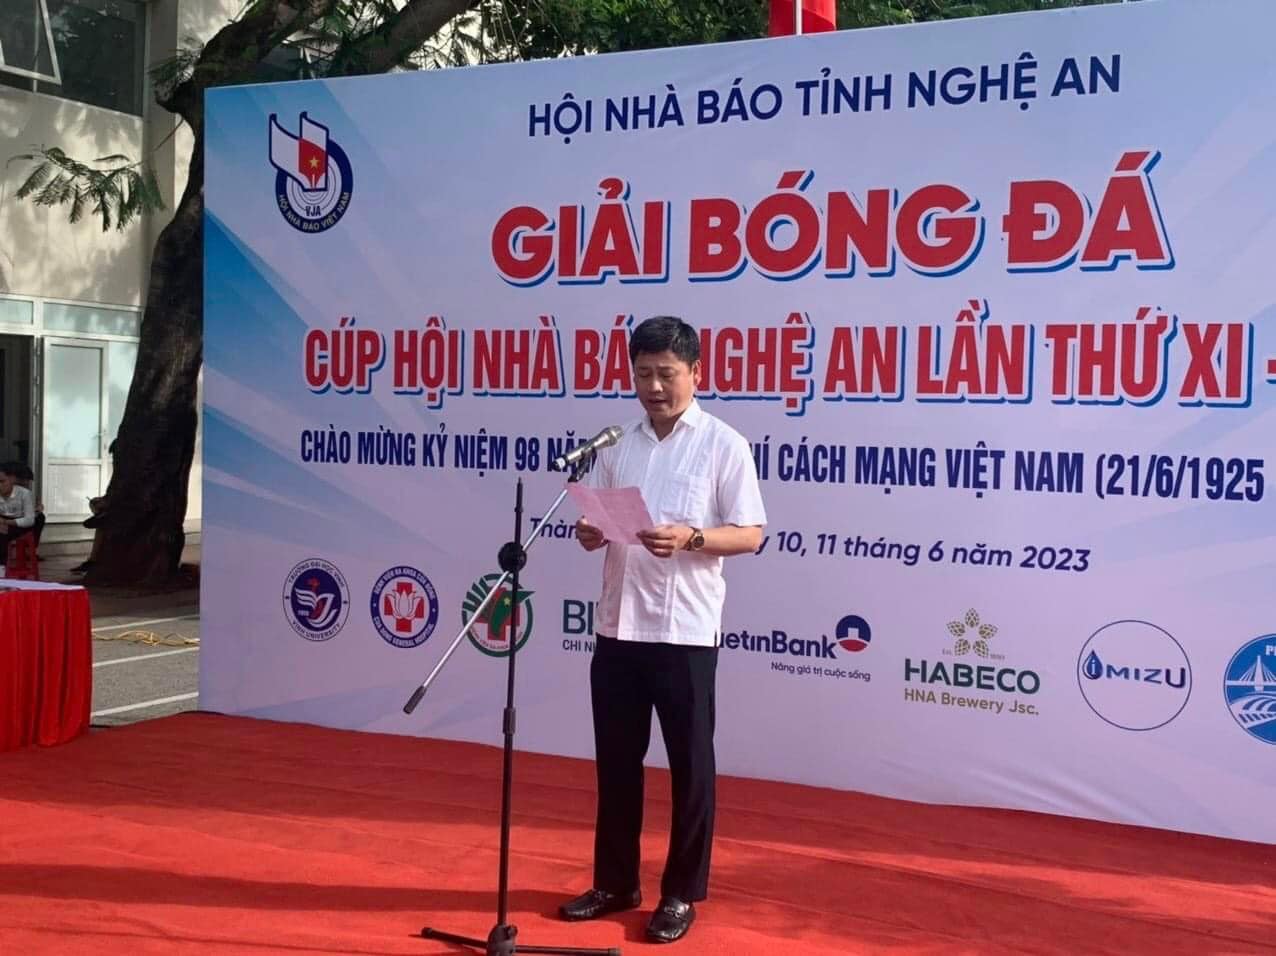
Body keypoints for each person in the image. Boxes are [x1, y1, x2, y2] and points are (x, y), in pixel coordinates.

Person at [558, 315, 766, 944]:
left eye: (667, 374)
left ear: (696, 373)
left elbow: (752, 533)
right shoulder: (618, 444)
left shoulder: (724, 444)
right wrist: (590, 531)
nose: (654, 386)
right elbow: (596, 520)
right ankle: (616, 881)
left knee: (690, 769)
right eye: (643, 373)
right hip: (618, 625)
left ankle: (680, 892)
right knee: (616, 765)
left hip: (685, 632)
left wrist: (693, 537)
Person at [0, 462, 38, 575]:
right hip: (3, 521)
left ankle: (1, 570)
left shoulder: (25, 494)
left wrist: (6, 522)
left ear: (12, 479)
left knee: (2, 533)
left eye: (2, 481)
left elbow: (29, 520)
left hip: (18, 523)